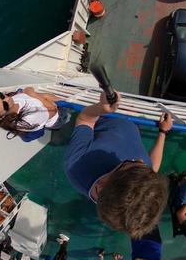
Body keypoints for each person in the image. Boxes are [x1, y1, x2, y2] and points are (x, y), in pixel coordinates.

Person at [65, 93, 173, 235]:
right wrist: (162, 132)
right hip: (133, 119)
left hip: (107, 112)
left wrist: (100, 109)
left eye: (128, 163)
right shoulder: (141, 175)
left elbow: (85, 120)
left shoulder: (77, 166)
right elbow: (152, 166)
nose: (140, 161)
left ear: (101, 184)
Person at [0, 86, 66, 140]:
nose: (7, 98)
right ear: (1, 117)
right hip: (57, 116)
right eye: (5, 105)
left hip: (45, 111)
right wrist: (33, 94)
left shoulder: (11, 102)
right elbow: (52, 109)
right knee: (66, 116)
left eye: (0, 95)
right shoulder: (28, 119)